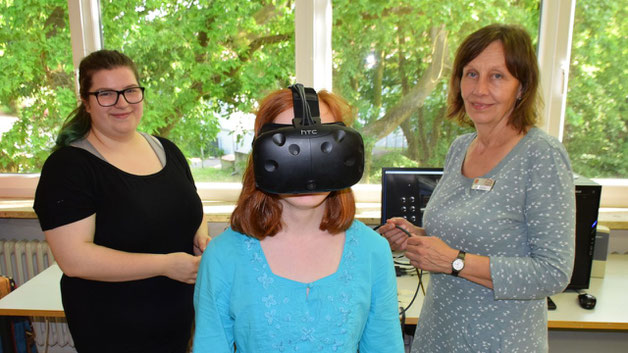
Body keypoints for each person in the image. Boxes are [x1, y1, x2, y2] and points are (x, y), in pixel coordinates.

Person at [378, 24, 575, 352]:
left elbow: (553, 272)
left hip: (500, 341)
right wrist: (419, 236)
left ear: (521, 87)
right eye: (471, 74)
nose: (479, 89)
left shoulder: (542, 155)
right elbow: (471, 234)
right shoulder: (460, 147)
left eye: (497, 76)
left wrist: (454, 261)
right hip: (439, 335)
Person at [192, 88, 404, 353]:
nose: (309, 164)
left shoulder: (373, 251)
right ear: (261, 156)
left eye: (323, 146)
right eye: (290, 148)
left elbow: (384, 347)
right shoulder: (223, 257)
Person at [33, 50, 210, 353]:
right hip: (111, 326)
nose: (122, 103)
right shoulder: (69, 167)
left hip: (174, 318)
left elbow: (190, 206)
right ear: (86, 102)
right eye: (106, 94)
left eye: (130, 91)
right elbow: (74, 259)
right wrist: (166, 265)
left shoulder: (166, 149)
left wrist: (200, 236)